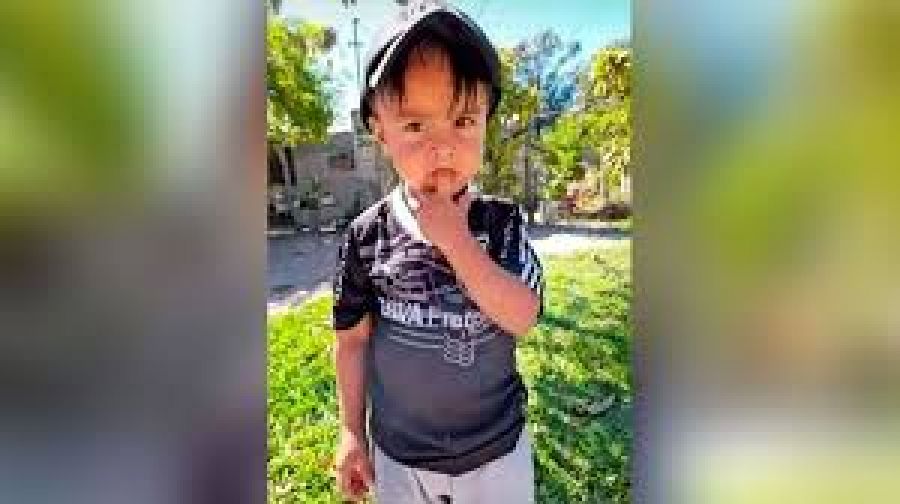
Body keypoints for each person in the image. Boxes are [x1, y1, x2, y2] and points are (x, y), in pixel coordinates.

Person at [332, 1, 544, 502]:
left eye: (463, 120)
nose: (443, 147)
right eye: (415, 126)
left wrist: (457, 241)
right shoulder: (366, 236)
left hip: (497, 452)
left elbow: (523, 317)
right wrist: (351, 431)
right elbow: (353, 342)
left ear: (486, 121)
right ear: (379, 131)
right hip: (401, 457)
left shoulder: (501, 223)